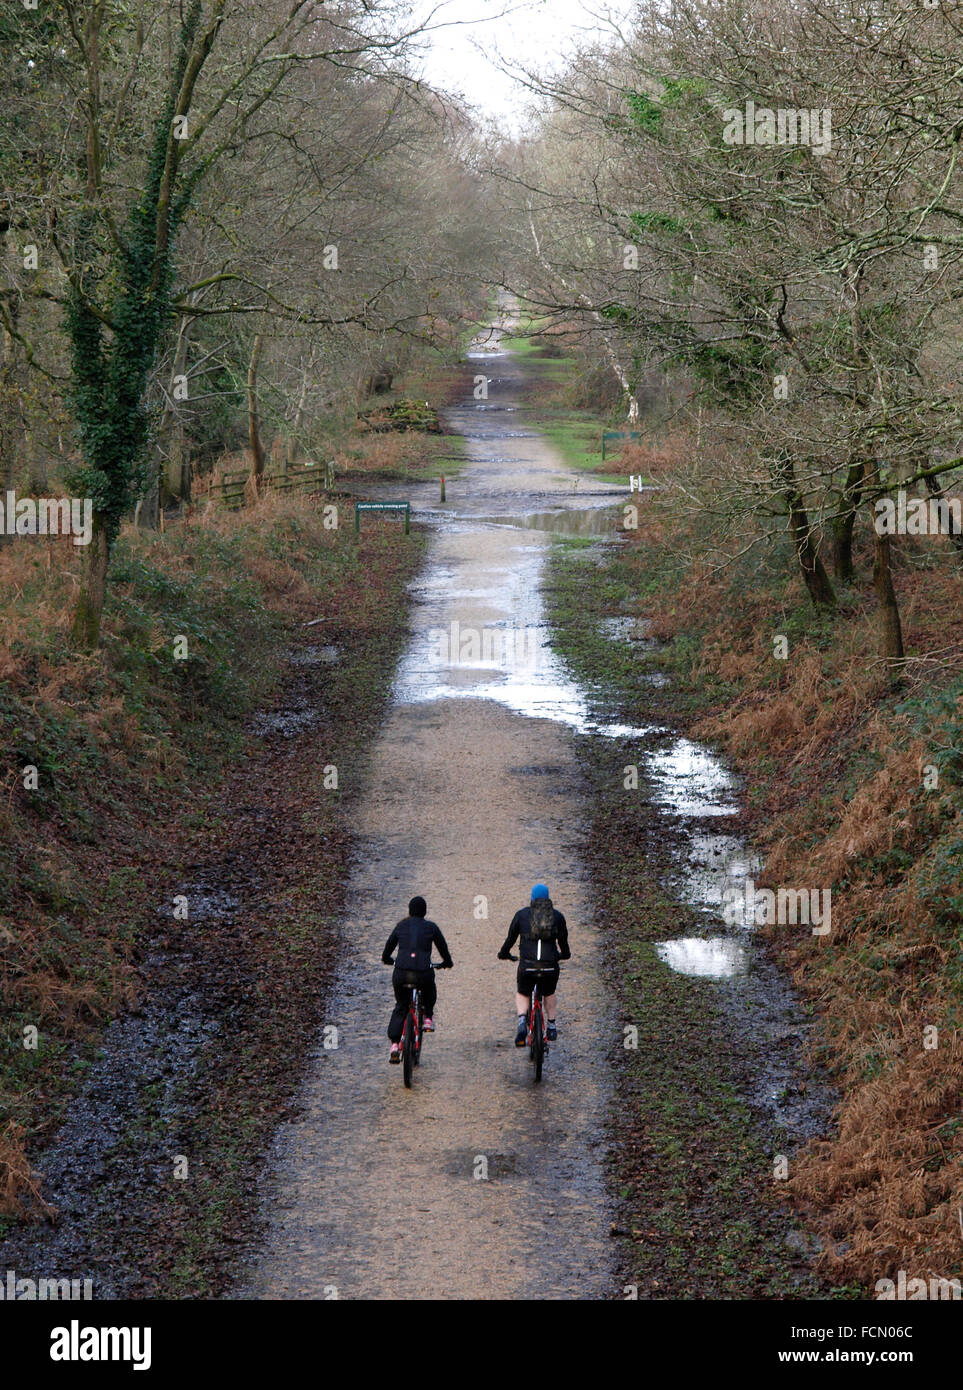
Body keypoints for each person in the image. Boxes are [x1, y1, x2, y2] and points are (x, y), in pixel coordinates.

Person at [497, 883, 569, 1046]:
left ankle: (522, 1020)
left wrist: (504, 954)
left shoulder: (522, 915)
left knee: (523, 992)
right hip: (550, 966)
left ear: (532, 898)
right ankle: (551, 1025)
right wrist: (563, 955)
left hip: (527, 966)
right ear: (548, 898)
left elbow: (510, 939)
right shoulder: (557, 916)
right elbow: (563, 942)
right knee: (549, 993)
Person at [382, 896, 453, 1063]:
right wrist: (447, 963)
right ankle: (428, 1018)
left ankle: (394, 1045)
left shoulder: (401, 926)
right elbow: (443, 948)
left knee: (401, 1006)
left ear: (409, 910)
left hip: (401, 973)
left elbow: (388, 948)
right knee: (430, 988)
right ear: (425, 912)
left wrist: (388, 959)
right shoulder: (431, 927)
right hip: (422, 973)